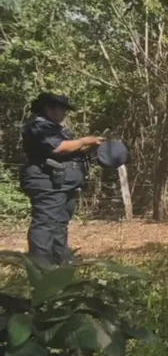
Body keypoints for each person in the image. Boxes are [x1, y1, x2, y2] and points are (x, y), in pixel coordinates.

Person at [20, 92, 104, 265]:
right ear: (49, 108)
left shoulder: (57, 129)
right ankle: (41, 264)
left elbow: (71, 151)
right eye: (62, 109)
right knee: (46, 221)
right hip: (47, 180)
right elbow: (58, 148)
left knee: (60, 221)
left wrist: (90, 147)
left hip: (62, 183)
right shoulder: (39, 126)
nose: (64, 113)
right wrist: (85, 140)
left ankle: (61, 258)